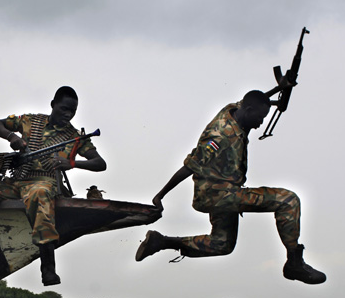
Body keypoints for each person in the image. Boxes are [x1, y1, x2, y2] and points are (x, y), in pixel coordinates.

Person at [135, 90, 325, 284]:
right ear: (248, 110)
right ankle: (294, 262)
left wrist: (279, 93)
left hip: (223, 192)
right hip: (219, 195)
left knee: (222, 244)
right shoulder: (219, 136)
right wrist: (161, 195)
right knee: (288, 200)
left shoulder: (234, 109)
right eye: (259, 118)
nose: (260, 124)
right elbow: (190, 166)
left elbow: (254, 99)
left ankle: (162, 241)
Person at [0, 86, 106, 288]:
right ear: (53, 105)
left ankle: (48, 268)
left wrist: (72, 164)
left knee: (39, 194)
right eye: (64, 109)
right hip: (17, 181)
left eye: (72, 111)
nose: (68, 114)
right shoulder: (31, 121)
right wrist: (12, 137)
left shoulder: (75, 137)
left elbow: (100, 163)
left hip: (45, 182)